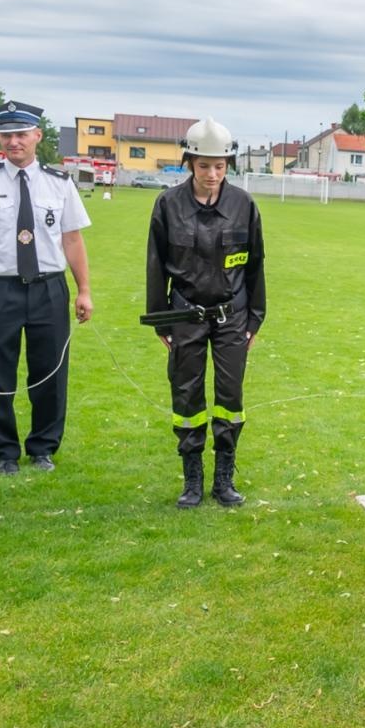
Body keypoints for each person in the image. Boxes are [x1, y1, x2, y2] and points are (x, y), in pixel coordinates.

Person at [0, 102, 93, 474]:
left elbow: (72, 240)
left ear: (38, 136)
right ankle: (2, 451)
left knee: (50, 372)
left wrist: (84, 290)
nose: (13, 142)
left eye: (21, 134)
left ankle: (43, 447)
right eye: (6, 135)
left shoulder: (59, 183)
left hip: (49, 288)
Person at [146, 118, 266, 508]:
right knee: (187, 396)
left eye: (219, 166)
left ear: (228, 164)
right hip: (184, 316)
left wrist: (255, 320)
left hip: (232, 316)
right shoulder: (167, 205)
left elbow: (256, 267)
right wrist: (160, 318)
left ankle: (224, 479)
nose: (212, 174)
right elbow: (156, 265)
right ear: (189, 163)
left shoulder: (243, 205)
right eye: (203, 166)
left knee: (230, 397)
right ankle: (192, 479)